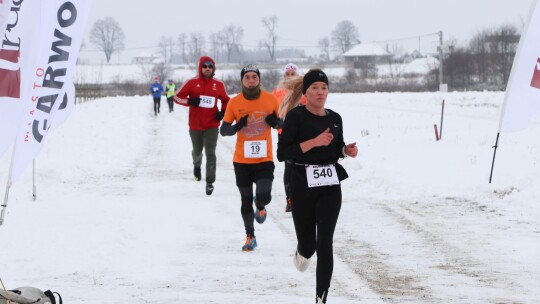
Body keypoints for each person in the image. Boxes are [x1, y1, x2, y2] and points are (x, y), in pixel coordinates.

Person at [277, 69, 358, 304]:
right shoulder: (296, 117)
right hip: (302, 183)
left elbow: (336, 148)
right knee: (309, 247)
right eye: (315, 88)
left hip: (330, 184)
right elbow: (283, 154)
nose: (320, 92)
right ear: (305, 92)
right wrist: (313, 142)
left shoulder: (335, 118)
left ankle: (321, 298)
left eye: (324, 87)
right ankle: (302, 250)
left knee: (325, 242)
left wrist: (345, 151)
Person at [220, 64, 282, 252]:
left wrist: (276, 122)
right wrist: (238, 126)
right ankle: (250, 236)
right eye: (247, 77)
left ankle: (261, 204)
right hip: (242, 161)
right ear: (242, 80)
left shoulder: (270, 100)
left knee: (265, 195)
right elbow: (224, 130)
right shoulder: (234, 102)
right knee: (245, 200)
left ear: (259, 79)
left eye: (254, 76)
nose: (251, 80)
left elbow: (282, 124)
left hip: (264, 159)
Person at [174, 56, 230, 195]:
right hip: (195, 125)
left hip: (212, 124)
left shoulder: (219, 84)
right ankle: (196, 165)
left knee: (211, 153)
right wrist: (190, 101)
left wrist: (223, 112)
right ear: (200, 67)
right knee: (197, 151)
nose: (207, 69)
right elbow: (176, 97)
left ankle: (210, 182)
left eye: (210, 66)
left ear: (213, 69)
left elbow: (226, 101)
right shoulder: (192, 83)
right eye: (205, 66)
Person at [272, 63, 306, 213]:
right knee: (289, 166)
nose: (290, 76)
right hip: (284, 134)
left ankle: (305, 197)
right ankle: (290, 198)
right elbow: (270, 113)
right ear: (284, 76)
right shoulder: (277, 92)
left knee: (304, 166)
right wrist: (276, 122)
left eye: (293, 73)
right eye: (288, 73)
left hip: (303, 134)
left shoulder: (305, 92)